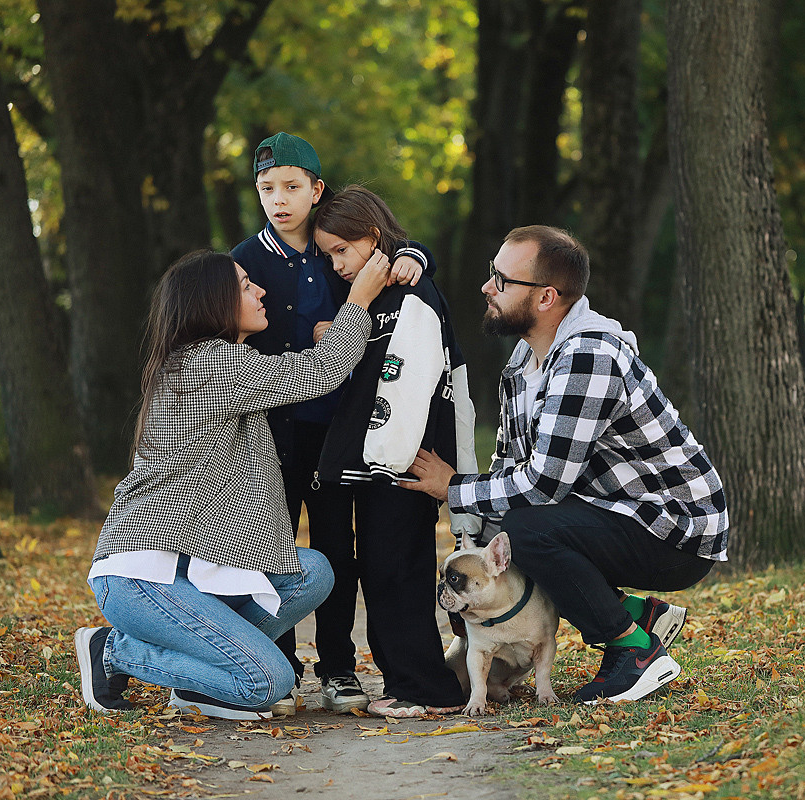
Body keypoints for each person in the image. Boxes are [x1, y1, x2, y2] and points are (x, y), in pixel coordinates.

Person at [404, 225, 729, 705]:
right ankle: (632, 612)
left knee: (531, 529)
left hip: (677, 529)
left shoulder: (588, 356)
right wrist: (472, 540)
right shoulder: (523, 362)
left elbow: (542, 484)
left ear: (546, 297)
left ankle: (633, 650)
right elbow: (510, 463)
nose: (486, 287)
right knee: (519, 528)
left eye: (501, 279)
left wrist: (453, 487)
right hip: (618, 513)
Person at [75, 248, 392, 719]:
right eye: (246, 285)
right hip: (145, 576)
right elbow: (318, 372)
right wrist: (359, 300)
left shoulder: (219, 362)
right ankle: (112, 652)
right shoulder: (208, 364)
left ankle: (202, 681)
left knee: (312, 571)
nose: (260, 290)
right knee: (270, 681)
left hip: (195, 568)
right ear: (213, 302)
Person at [231, 132, 429, 715]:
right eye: (267, 188)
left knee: (336, 547)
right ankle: (282, 664)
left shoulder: (334, 246)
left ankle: (339, 666)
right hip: (273, 430)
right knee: (271, 547)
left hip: (343, 428)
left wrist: (415, 257)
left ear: (317, 191)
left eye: (292, 186)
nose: (279, 199)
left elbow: (401, 247)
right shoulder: (244, 260)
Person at [312, 186, 480, 718]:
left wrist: (400, 451)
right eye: (329, 255)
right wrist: (335, 334)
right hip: (377, 460)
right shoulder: (372, 299)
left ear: (374, 238)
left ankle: (427, 688)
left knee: (398, 569)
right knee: (383, 568)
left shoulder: (412, 292)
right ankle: (405, 681)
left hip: (401, 460)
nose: (337, 264)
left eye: (342, 250)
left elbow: (414, 381)